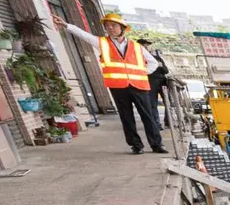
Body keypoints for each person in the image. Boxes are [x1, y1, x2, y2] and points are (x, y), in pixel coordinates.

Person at [55, 12, 165, 154]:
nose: (110, 28)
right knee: (127, 117)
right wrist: (66, 25)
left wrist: (142, 73)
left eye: (113, 25)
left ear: (122, 28)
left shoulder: (136, 46)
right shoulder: (102, 43)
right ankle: (136, 145)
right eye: (107, 26)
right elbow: (84, 35)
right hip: (118, 87)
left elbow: (153, 62)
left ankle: (157, 144)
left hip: (139, 86)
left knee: (148, 116)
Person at [136, 37, 170, 130]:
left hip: (162, 82)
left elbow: (166, 71)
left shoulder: (157, 58)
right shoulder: (137, 59)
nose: (146, 48)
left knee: (168, 102)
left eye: (146, 46)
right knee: (152, 105)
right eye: (144, 46)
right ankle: (156, 124)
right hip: (150, 83)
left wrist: (160, 66)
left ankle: (168, 122)